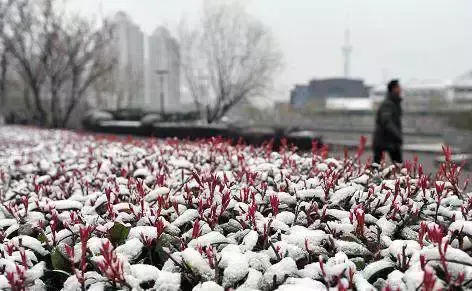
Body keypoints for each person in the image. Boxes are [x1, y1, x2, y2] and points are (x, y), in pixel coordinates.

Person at [373, 79, 403, 164]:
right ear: (393, 89)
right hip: (386, 140)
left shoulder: (394, 102)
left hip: (388, 140)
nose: (400, 89)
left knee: (378, 167)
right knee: (398, 167)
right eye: (398, 87)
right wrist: (397, 135)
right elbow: (386, 122)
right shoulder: (388, 104)